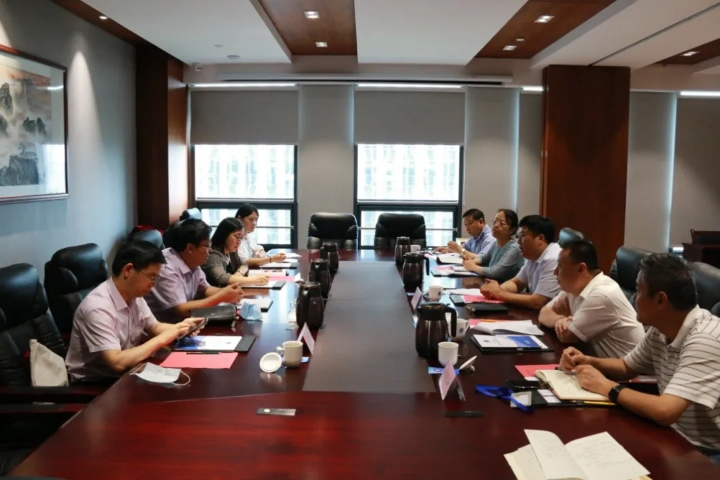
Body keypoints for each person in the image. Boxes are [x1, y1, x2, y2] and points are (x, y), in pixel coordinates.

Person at [561, 254, 720, 463]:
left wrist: (607, 387)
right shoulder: (660, 328)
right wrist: (588, 361)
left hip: (707, 453)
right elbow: (626, 366)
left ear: (660, 300)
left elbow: (666, 411)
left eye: (639, 291)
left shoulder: (706, 339)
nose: (634, 298)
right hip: (674, 437)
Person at [65, 241, 205, 382]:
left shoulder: (133, 294)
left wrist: (180, 329)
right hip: (96, 384)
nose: (153, 284)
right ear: (128, 270)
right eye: (152, 277)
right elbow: (117, 362)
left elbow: (154, 327)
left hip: (129, 372)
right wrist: (163, 338)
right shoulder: (97, 308)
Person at [539, 240, 644, 357]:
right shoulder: (573, 287)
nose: (555, 272)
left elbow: (567, 336)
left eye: (560, 266)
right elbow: (544, 313)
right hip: (597, 363)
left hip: (626, 367)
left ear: (581, 269)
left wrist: (564, 324)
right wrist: (561, 320)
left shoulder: (602, 294)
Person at [145, 218, 243, 323]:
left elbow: (205, 289)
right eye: (207, 246)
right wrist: (221, 297)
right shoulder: (166, 268)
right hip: (166, 327)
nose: (210, 250)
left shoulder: (191, 260)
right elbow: (182, 310)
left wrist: (228, 292)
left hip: (184, 323)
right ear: (190, 248)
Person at [481, 215, 561, 310]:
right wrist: (495, 290)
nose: (518, 242)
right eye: (518, 237)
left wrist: (499, 293)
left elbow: (538, 302)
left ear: (540, 238)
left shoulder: (553, 258)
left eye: (522, 236)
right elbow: (517, 283)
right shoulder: (533, 256)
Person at [202, 217, 270, 287]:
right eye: (237, 237)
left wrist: (238, 274)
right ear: (224, 235)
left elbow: (244, 265)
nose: (239, 241)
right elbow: (222, 278)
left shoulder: (231, 250)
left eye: (241, 238)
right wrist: (255, 280)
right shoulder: (213, 255)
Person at [462, 209, 524, 283]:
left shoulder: (514, 248)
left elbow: (495, 272)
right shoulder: (495, 243)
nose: (495, 225)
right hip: (492, 284)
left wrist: (473, 267)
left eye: (502, 223)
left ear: (512, 229)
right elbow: (484, 258)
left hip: (505, 287)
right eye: (494, 221)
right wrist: (471, 262)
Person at [235, 203, 287, 268]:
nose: (254, 223)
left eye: (256, 220)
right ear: (240, 218)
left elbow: (258, 248)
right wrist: (271, 259)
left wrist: (261, 253)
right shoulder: (236, 238)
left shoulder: (247, 237)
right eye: (251, 219)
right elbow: (245, 262)